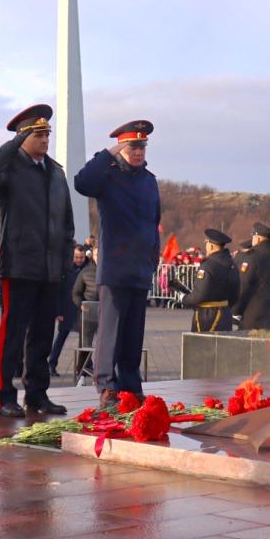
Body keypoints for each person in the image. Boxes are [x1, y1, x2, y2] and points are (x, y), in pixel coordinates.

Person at [0, 104, 74, 417]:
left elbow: (66, 223)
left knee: (42, 336)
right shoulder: (10, 169)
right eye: (38, 134)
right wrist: (13, 143)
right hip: (19, 265)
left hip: (49, 269)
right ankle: (4, 395)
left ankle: (37, 394)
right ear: (23, 137)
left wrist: (63, 264)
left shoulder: (56, 173)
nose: (46, 139)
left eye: (47, 133)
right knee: (13, 335)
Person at [74, 120, 160, 408]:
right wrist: (107, 155)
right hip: (115, 266)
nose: (138, 152)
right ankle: (107, 386)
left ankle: (131, 386)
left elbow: (153, 223)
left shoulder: (149, 181)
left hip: (140, 267)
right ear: (122, 147)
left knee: (134, 333)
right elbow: (82, 182)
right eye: (132, 146)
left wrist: (152, 258)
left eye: (142, 146)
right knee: (111, 330)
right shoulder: (107, 176)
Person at [173, 229, 239, 332]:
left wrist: (184, 299)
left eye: (207, 243)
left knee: (202, 347)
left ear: (211, 246)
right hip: (225, 314)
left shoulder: (208, 265)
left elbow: (199, 295)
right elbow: (235, 292)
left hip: (208, 316)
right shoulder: (232, 264)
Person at [232, 222, 270, 330]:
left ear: (258, 239)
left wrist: (235, 312)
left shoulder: (253, 257)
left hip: (252, 315)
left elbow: (243, 286)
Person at [48, 245, 87, 377]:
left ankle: (85, 365)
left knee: (85, 339)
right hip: (66, 310)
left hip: (82, 309)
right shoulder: (65, 270)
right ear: (72, 256)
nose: (79, 260)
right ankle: (51, 364)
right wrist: (57, 312)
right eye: (76, 257)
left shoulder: (88, 269)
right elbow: (58, 292)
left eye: (81, 257)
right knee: (61, 338)